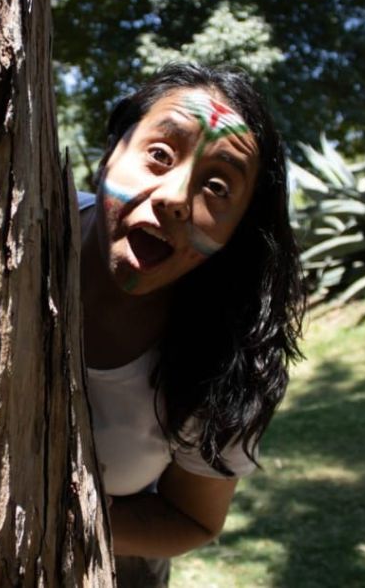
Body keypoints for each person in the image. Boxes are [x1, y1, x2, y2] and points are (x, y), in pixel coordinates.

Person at [78, 63, 304, 586]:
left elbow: (193, 518)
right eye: (160, 154)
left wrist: (47, 512)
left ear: (236, 232)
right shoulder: (13, 229)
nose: (175, 198)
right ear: (114, 149)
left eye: (218, 187)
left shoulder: (227, 360)